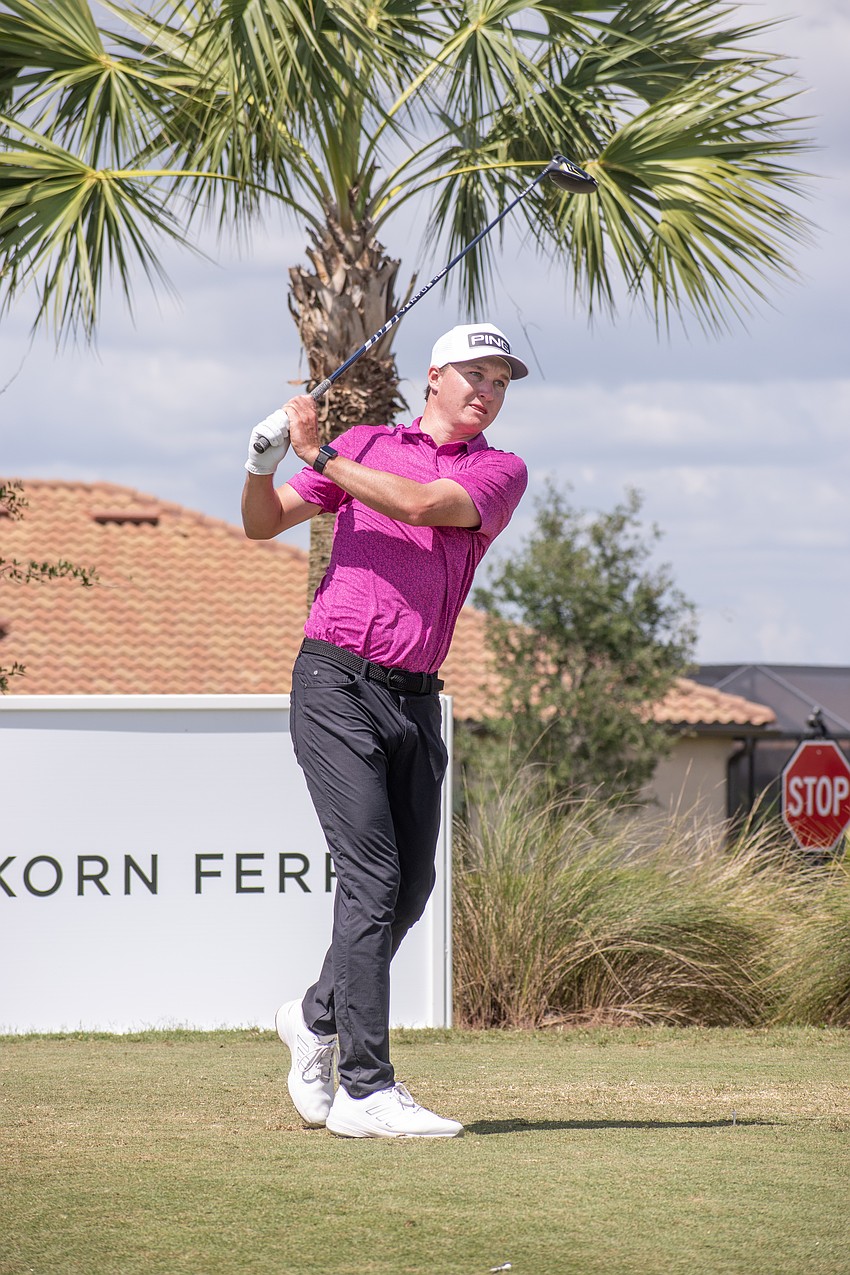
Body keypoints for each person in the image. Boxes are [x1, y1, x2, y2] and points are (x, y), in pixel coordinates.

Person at [242, 322, 529, 1139]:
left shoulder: (499, 471)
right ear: (433, 377)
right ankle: (367, 1088)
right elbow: (265, 524)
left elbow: (420, 505)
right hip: (334, 679)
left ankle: (313, 1012)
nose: (486, 390)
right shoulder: (369, 441)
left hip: (414, 695)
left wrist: (317, 451)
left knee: (410, 886)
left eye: (500, 381)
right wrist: (264, 464)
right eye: (473, 373)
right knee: (370, 879)